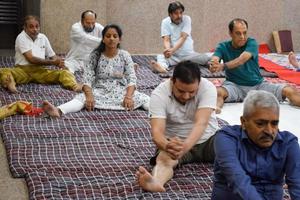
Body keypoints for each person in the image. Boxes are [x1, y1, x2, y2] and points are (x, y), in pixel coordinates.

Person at [136, 61, 219, 192]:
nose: (186, 96)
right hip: (174, 142)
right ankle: (156, 182)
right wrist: (167, 146)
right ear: (172, 81)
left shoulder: (208, 88)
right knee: (164, 159)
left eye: (192, 92)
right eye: (181, 91)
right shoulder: (159, 94)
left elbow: (201, 123)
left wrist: (185, 147)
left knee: (234, 145)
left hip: (208, 138)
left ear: (199, 83)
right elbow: (157, 133)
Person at [42, 24, 150, 117]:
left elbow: (131, 78)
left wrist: (129, 97)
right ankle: (58, 110)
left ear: (119, 39)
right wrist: (89, 96)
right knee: (81, 98)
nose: (111, 38)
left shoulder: (125, 55)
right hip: (99, 90)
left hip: (121, 91)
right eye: (108, 36)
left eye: (115, 36)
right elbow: (87, 78)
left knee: (144, 98)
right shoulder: (95, 56)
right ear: (103, 39)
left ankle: (160, 112)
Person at [212, 90, 300, 200]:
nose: (269, 131)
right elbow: (237, 180)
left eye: (274, 123)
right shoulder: (226, 138)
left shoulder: (288, 143)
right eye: (260, 124)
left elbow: (297, 184)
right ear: (243, 122)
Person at [209, 18, 300, 113]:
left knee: (289, 90)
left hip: (258, 85)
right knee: (218, 92)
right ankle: (215, 109)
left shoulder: (251, 43)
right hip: (234, 86)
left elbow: (241, 60)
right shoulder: (223, 46)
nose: (242, 37)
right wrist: (213, 64)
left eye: (244, 33)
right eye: (238, 33)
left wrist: (223, 66)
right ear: (230, 33)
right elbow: (215, 58)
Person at [0, 15, 81, 93]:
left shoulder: (43, 37)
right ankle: (10, 84)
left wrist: (61, 64)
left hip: (40, 71)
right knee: (4, 71)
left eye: (37, 26)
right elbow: (31, 59)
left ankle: (74, 86)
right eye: (31, 27)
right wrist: (52, 63)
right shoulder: (21, 37)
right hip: (23, 70)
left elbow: (53, 56)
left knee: (64, 73)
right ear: (24, 28)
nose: (35, 29)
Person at [151, 1, 210, 73]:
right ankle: (163, 68)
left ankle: (212, 63)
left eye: (181, 13)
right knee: (160, 57)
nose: (179, 16)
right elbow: (166, 40)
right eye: (176, 13)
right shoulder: (165, 22)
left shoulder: (187, 19)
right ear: (170, 14)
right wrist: (168, 51)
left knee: (208, 56)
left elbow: (183, 37)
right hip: (174, 56)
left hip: (188, 55)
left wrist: (172, 50)